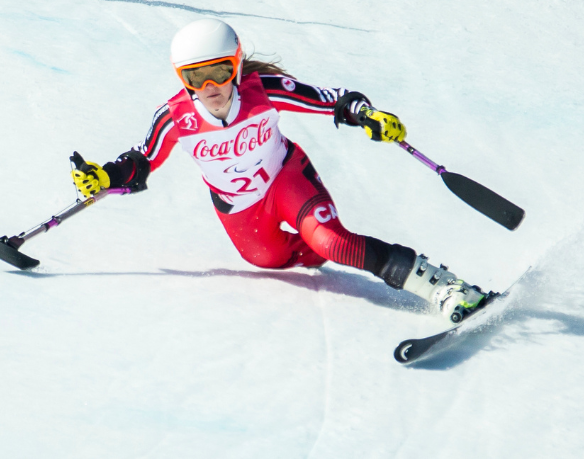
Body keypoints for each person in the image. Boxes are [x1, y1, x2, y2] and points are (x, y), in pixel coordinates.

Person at [70, 18, 487, 322]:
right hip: (239, 208)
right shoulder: (175, 117)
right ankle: (318, 245)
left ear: (234, 65)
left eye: (218, 71)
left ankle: (446, 289)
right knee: (266, 259)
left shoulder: (263, 92)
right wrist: (105, 177)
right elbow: (142, 160)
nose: (210, 86)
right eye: (195, 77)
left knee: (333, 242)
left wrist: (368, 115)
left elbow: (331, 99)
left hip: (286, 178)